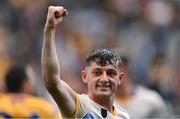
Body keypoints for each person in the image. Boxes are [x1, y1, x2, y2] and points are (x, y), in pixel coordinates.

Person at [41, 6, 130, 119]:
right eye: (97, 72)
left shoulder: (124, 116)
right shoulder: (80, 106)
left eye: (110, 73)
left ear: (120, 78)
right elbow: (52, 82)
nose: (104, 79)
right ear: (84, 76)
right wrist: (50, 29)